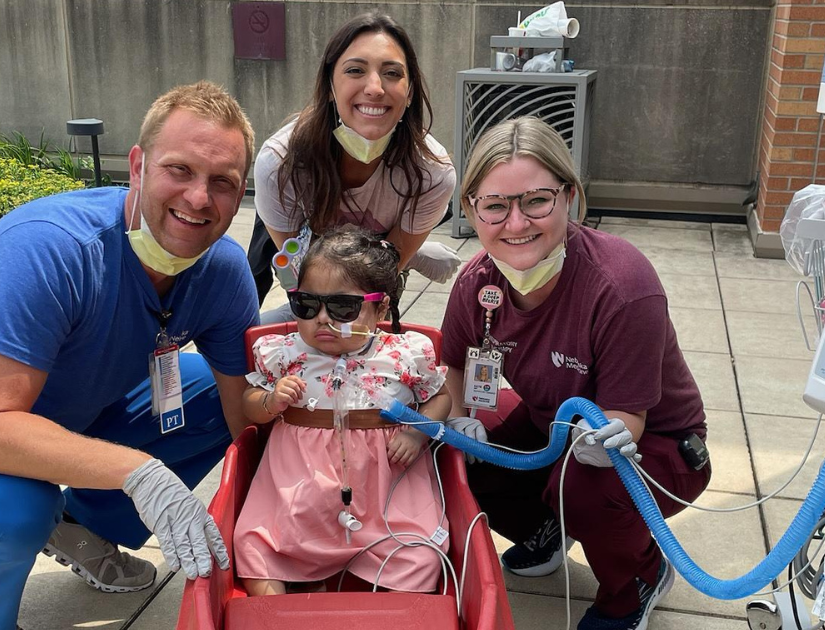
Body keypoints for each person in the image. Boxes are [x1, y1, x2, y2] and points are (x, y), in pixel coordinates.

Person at [0, 82, 259, 630]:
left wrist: (274, 529)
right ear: (137, 166)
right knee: (12, 506)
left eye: (223, 182)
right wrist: (140, 472)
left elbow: (243, 418)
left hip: (61, 411)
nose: (198, 198)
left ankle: (82, 524)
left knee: (210, 391)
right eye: (179, 170)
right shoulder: (51, 250)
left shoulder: (223, 271)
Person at [440, 117, 712, 630]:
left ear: (569, 196)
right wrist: (459, 418)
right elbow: (455, 362)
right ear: (473, 210)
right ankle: (547, 527)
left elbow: (627, 418)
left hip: (657, 443)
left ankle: (636, 583)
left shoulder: (622, 286)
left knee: (586, 488)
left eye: (536, 201)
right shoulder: (477, 284)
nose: (515, 224)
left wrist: (589, 451)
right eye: (495, 206)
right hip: (554, 428)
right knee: (464, 460)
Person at [233, 227, 452, 595]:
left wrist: (418, 430)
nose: (322, 318)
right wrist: (269, 402)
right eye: (306, 305)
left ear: (380, 307)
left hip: (385, 488)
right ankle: (277, 614)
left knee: (422, 556)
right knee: (253, 544)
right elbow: (249, 403)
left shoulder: (403, 355)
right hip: (300, 486)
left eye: (342, 308)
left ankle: (385, 610)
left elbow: (440, 397)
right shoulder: (286, 353)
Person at [248, 12, 460, 318]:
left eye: (392, 73)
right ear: (330, 87)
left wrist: (401, 255)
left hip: (376, 276)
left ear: (410, 92)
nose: (375, 87)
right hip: (314, 263)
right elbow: (305, 276)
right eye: (355, 70)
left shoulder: (432, 172)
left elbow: (378, 278)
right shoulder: (281, 163)